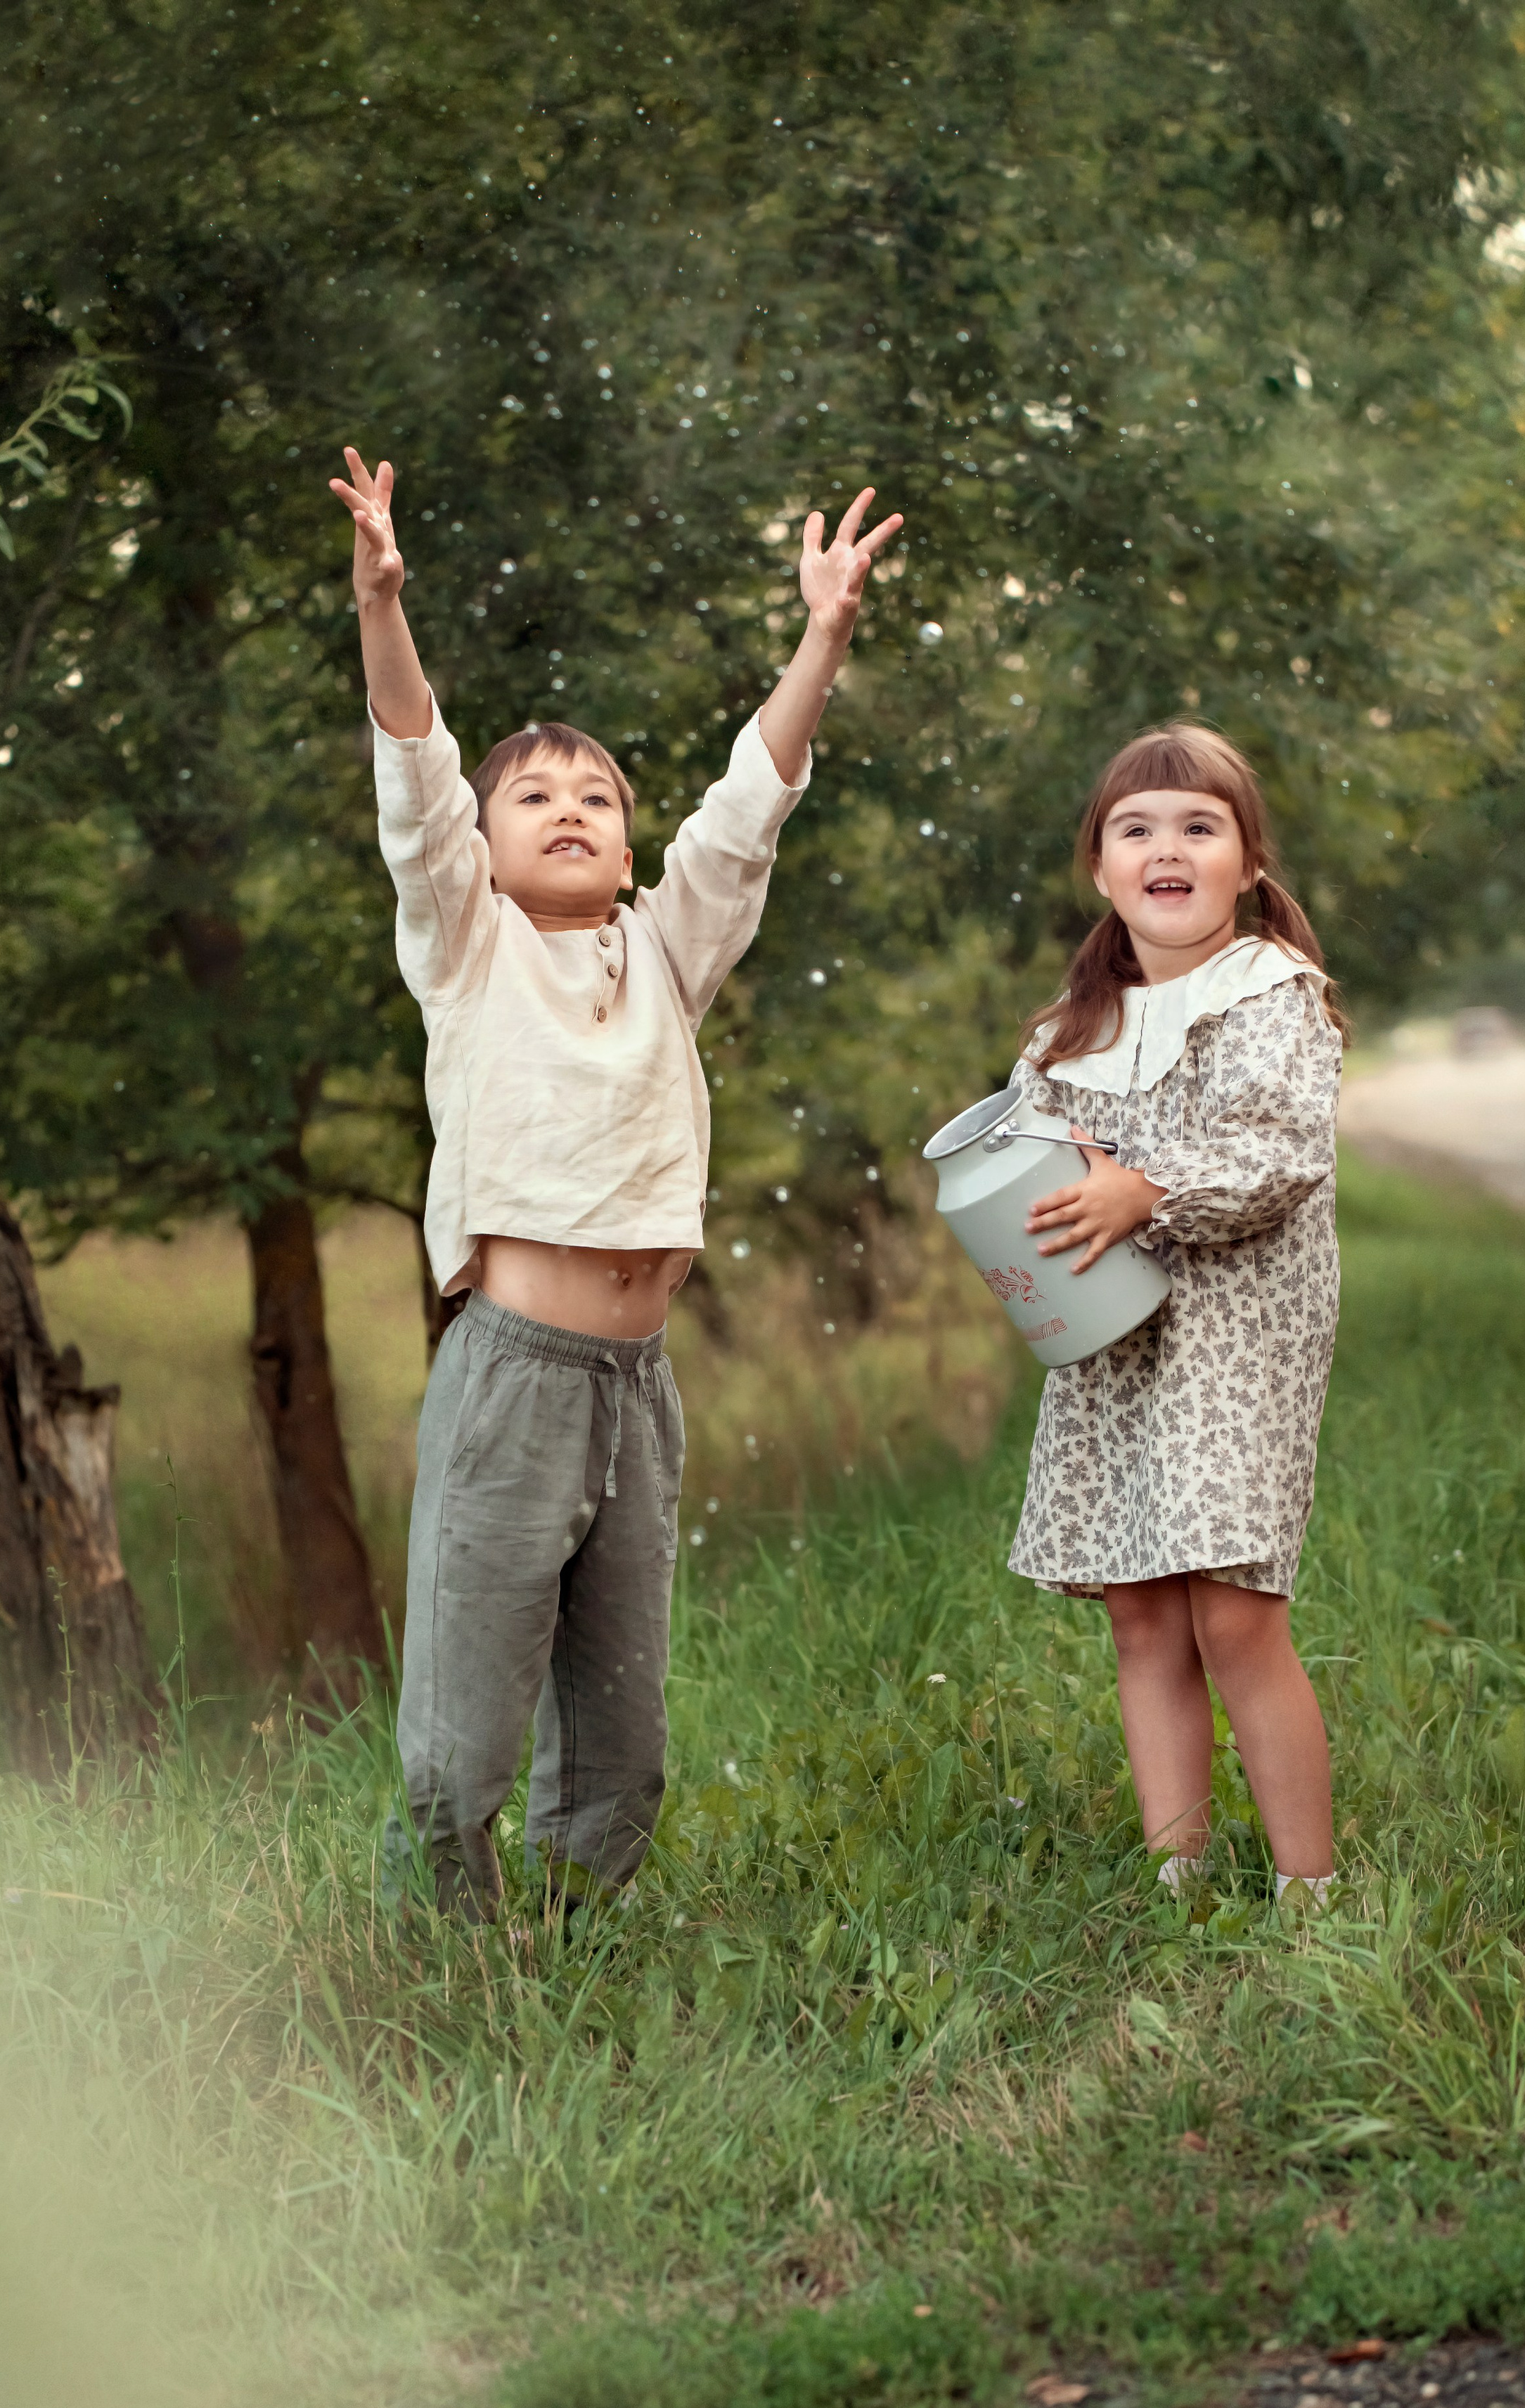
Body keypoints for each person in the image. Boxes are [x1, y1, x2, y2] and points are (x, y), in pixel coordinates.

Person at [329, 447, 901, 1921]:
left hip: (635, 1383)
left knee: (621, 1732)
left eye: (597, 793)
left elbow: (751, 802)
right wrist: (381, 603)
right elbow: (414, 767)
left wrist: (821, 638)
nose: (569, 807)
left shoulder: (663, 949)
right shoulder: (464, 942)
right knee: (464, 1722)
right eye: (535, 794)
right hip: (515, 1376)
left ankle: (580, 1961)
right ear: (489, 842)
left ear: (635, 843)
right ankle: (436, 1960)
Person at [1005, 723, 1349, 1911]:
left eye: (1199, 826)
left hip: (1234, 1343)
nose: (1168, 847)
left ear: (1248, 861)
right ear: (1099, 867)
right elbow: (1028, 1164)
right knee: (1142, 1615)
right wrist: (1037, 1203)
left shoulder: (1267, 993)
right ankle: (1180, 1884)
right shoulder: (1072, 1027)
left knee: (1233, 1614)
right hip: (1112, 1348)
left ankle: (1311, 1894)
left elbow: (1278, 1150)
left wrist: (1139, 1187)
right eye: (1136, 828)